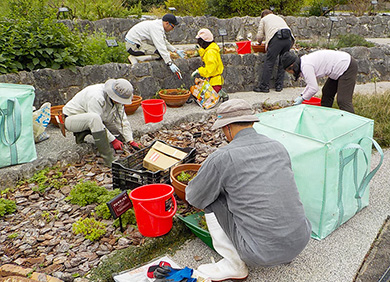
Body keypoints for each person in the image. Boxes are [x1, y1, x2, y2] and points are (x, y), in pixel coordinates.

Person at [186, 99, 312, 281]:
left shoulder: (223, 156)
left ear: (227, 128)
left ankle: (233, 265)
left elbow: (194, 196)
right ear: (251, 122)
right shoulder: (278, 147)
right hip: (300, 241)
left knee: (210, 197)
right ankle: (284, 251)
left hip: (259, 253)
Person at [62, 78, 142, 166]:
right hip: (71, 119)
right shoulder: (96, 96)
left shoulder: (117, 100)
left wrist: (130, 140)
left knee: (116, 132)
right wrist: (114, 141)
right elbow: (96, 120)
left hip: (92, 117)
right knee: (94, 118)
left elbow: (122, 119)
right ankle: (109, 159)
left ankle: (93, 134)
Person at [281, 50, 358, 113]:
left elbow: (314, 88)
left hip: (347, 66)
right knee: (327, 92)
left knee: (343, 101)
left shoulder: (306, 66)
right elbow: (311, 83)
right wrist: (302, 95)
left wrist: (303, 98)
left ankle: (353, 126)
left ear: (293, 66)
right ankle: (325, 118)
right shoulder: (304, 63)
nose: (290, 73)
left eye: (288, 71)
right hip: (337, 68)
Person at [253, 9, 294, 93]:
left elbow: (260, 35)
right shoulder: (279, 18)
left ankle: (264, 86)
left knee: (269, 62)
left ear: (263, 15)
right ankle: (279, 86)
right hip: (288, 39)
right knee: (282, 62)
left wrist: (259, 42)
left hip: (277, 38)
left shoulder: (264, 19)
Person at [191, 28, 224, 94]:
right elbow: (206, 56)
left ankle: (220, 94)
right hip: (215, 81)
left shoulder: (210, 52)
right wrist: (200, 51)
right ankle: (221, 94)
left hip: (214, 83)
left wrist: (199, 71)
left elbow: (210, 70)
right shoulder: (211, 49)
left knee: (207, 98)